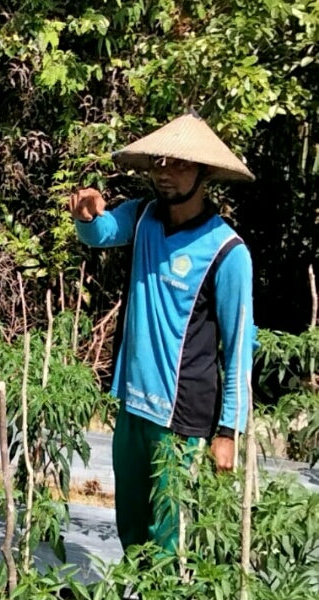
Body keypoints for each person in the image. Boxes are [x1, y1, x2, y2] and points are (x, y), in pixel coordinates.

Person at [68, 111, 257, 557]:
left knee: (174, 532)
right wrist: (86, 214)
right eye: (159, 162)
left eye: (180, 164)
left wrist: (229, 430)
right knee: (132, 523)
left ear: (205, 172)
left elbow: (238, 348)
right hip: (133, 404)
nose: (166, 172)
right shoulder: (143, 217)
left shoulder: (227, 251)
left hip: (183, 418)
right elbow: (100, 232)